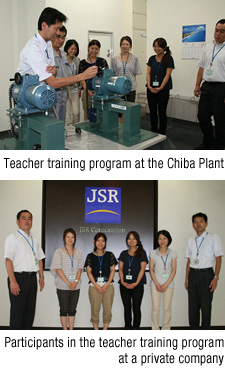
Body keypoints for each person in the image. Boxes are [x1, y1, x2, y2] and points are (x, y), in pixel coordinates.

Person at [17, 7, 97, 90]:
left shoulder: (48, 44)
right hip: (28, 96)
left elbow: (54, 70)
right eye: (56, 29)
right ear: (44, 26)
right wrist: (83, 76)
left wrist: (53, 71)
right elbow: (52, 83)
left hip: (43, 94)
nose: (57, 33)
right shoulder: (33, 48)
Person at [4, 210, 45, 329]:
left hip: (32, 279)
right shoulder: (13, 238)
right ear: (18, 221)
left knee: (29, 312)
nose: (27, 221)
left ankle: (26, 340)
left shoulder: (34, 239)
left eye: (29, 218)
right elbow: (8, 260)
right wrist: (13, 281)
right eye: (24, 218)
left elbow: (40, 258)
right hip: (18, 278)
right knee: (17, 313)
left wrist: (41, 276)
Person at [185, 212, 223, 329]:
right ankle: (194, 333)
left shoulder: (213, 237)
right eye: (195, 222)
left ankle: (205, 335)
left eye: (201, 221)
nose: (198, 224)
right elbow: (189, 260)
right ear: (193, 225)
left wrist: (215, 278)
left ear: (206, 223)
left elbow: (218, 258)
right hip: (193, 274)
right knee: (193, 307)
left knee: (206, 307)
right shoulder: (191, 240)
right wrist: (186, 278)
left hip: (207, 275)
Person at [194, 19, 225, 150]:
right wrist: (197, 85)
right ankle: (208, 141)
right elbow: (201, 67)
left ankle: (218, 146)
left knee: (220, 119)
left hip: (221, 87)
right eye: (216, 30)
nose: (218, 34)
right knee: (202, 115)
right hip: (206, 86)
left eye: (222, 31)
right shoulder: (207, 48)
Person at [50, 228, 83, 330]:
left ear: (75, 239)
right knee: (64, 310)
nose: (70, 239)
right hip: (63, 286)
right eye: (68, 236)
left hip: (75, 286)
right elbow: (58, 269)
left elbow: (80, 268)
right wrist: (69, 283)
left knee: (72, 310)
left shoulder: (79, 252)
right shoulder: (59, 251)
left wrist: (75, 282)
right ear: (64, 238)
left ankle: (71, 330)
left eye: (72, 237)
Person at [85, 233, 117, 330]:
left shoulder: (110, 255)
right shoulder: (90, 256)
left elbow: (112, 271)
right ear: (94, 242)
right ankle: (96, 330)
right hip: (94, 287)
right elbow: (89, 272)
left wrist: (107, 284)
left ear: (105, 242)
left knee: (107, 310)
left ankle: (105, 330)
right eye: (98, 240)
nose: (100, 243)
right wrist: (96, 285)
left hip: (108, 286)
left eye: (103, 240)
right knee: (95, 310)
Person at [118, 231, 148, 329]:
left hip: (138, 285)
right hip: (124, 285)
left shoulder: (142, 253)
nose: (131, 241)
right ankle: (127, 326)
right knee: (127, 308)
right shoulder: (123, 253)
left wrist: (135, 283)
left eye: (134, 238)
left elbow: (142, 269)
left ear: (137, 240)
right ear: (127, 240)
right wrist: (122, 281)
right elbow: (121, 269)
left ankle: (136, 327)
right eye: (129, 238)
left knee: (136, 307)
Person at [149, 230, 177, 330]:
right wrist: (157, 283)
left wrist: (165, 285)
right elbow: (151, 269)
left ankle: (166, 329)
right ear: (157, 240)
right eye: (160, 238)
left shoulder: (173, 253)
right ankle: (155, 330)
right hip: (155, 284)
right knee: (156, 308)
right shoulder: (153, 253)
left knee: (167, 309)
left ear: (168, 239)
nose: (162, 240)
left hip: (168, 284)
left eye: (164, 238)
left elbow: (174, 270)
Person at [146, 38, 175, 134]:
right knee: (152, 111)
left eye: (158, 46)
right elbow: (148, 73)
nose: (156, 48)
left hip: (163, 90)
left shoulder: (169, 59)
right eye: (154, 46)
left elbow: (168, 75)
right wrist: (149, 86)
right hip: (151, 89)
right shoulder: (151, 58)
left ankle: (162, 131)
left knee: (162, 111)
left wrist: (161, 87)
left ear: (164, 47)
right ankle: (153, 129)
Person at [79, 40, 109, 120]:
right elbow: (82, 78)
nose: (94, 51)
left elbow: (106, 76)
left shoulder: (102, 61)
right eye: (92, 48)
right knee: (88, 114)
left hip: (101, 92)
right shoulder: (82, 63)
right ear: (88, 48)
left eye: (96, 49)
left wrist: (99, 90)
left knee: (101, 114)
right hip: (87, 92)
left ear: (99, 50)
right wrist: (87, 90)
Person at [112, 36, 142, 103]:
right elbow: (113, 73)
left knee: (129, 111)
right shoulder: (114, 58)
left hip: (131, 88)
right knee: (119, 110)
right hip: (118, 88)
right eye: (123, 44)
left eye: (127, 44)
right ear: (120, 46)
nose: (125, 46)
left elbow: (136, 73)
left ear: (130, 46)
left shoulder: (135, 58)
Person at [51, 25, 68, 121]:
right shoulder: (48, 55)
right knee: (53, 125)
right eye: (58, 37)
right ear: (52, 36)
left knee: (62, 124)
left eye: (63, 37)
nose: (61, 40)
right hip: (52, 99)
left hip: (63, 97)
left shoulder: (64, 54)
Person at [64, 39, 81, 125]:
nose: (73, 51)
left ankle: (76, 128)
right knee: (67, 113)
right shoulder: (62, 59)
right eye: (71, 48)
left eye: (75, 49)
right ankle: (67, 130)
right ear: (67, 48)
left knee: (76, 112)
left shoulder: (77, 60)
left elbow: (79, 75)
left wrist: (79, 88)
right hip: (65, 89)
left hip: (74, 89)